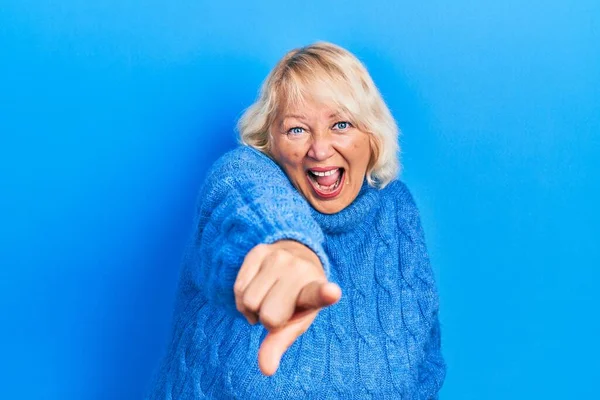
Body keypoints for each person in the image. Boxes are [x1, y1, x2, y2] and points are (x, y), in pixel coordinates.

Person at [147, 41, 446, 399]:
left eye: (341, 124)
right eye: (297, 130)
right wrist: (288, 245)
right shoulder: (242, 177)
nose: (319, 149)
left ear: (373, 135)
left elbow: (424, 368)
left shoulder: (396, 213)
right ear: (268, 142)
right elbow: (247, 205)